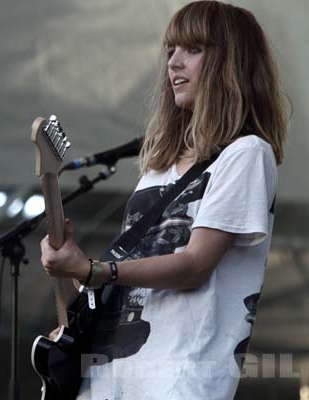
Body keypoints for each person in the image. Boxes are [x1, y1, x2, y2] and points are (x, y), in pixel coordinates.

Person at [40, 2, 288, 399]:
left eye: (193, 49)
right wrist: (76, 279)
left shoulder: (246, 154)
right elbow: (124, 277)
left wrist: (94, 269)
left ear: (231, 63)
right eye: (171, 50)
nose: (174, 63)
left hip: (180, 376)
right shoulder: (159, 166)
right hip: (106, 379)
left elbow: (193, 266)